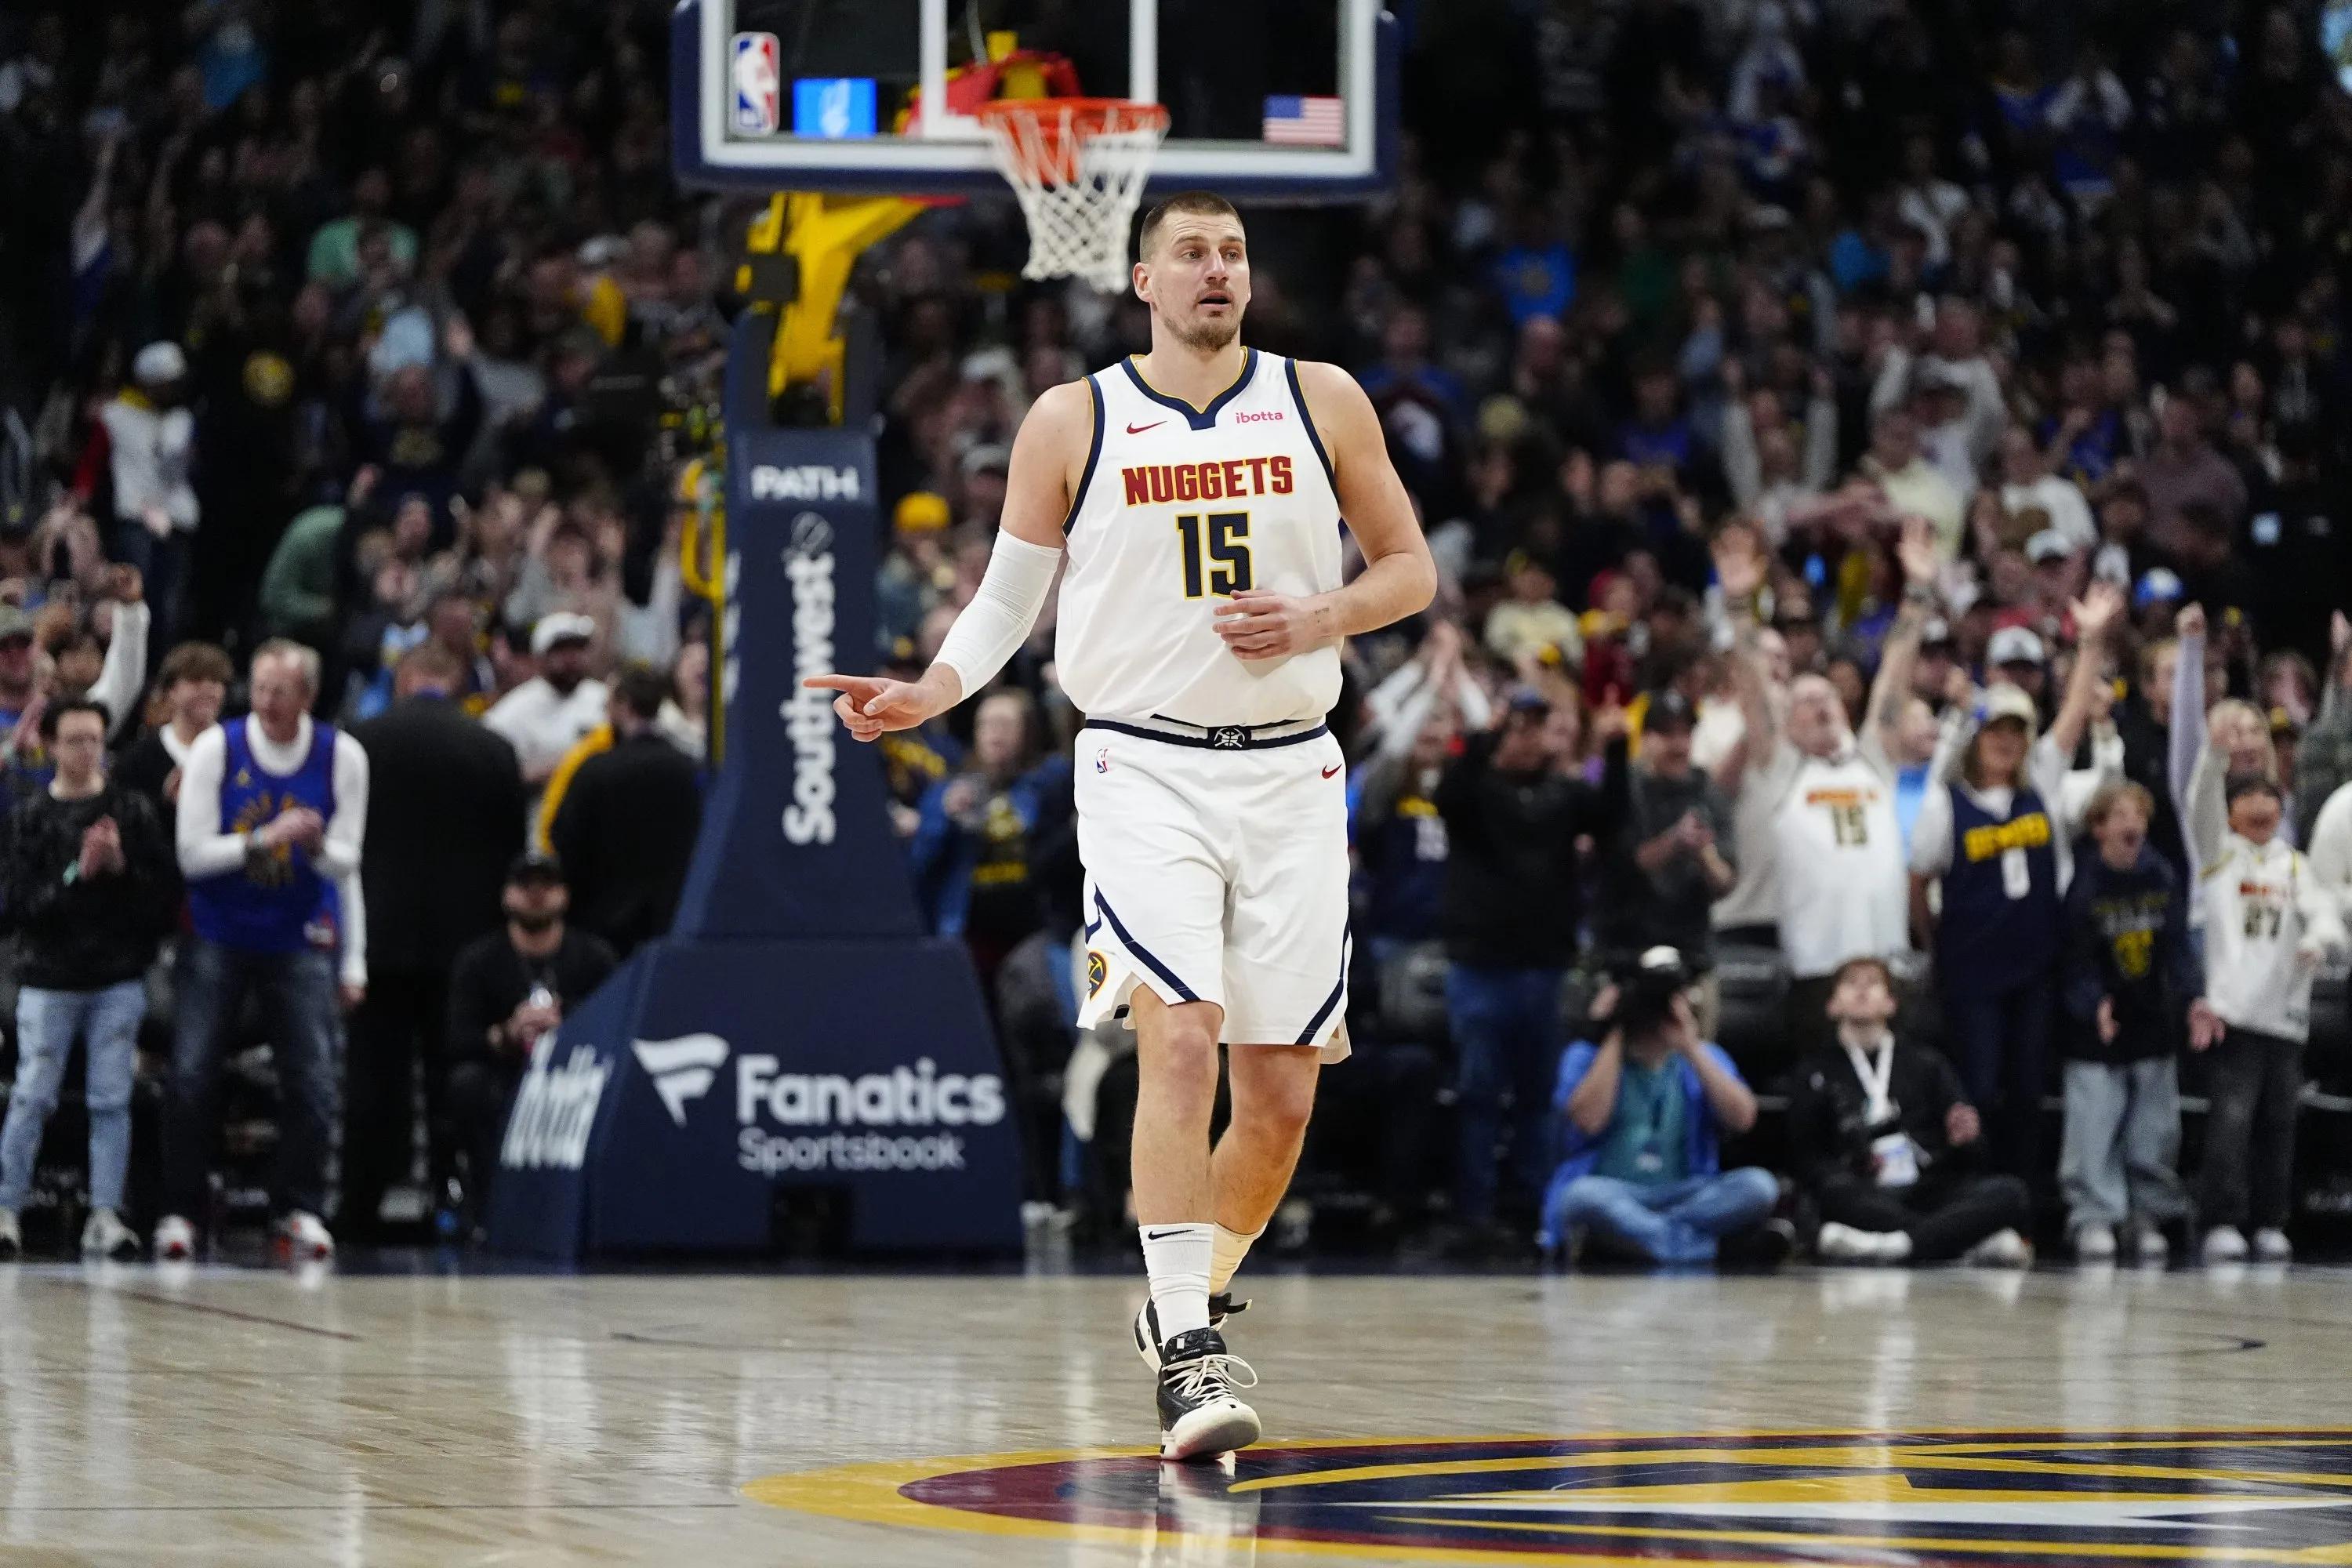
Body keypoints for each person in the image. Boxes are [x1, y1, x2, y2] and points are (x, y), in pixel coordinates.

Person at [804, 191, 1436, 1461]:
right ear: (1143, 280)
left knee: (1280, 1102)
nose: (1217, 270)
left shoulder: (1322, 400)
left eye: (1233, 253)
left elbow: (1409, 569)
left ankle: (1182, 1298)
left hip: (1293, 772)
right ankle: (1191, 1352)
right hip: (1142, 765)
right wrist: (933, 691)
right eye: (1192, 253)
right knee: (1181, 1039)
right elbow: (1006, 602)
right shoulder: (1073, 418)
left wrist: (1317, 618)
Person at [162, 641, 370, 1264]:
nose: (266, 702)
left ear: (308, 695)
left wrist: (314, 850)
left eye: (280, 691)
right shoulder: (217, 749)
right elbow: (192, 856)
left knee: (314, 1080)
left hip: (297, 936)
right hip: (217, 932)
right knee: (191, 1074)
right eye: (258, 688)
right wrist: (264, 838)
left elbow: (347, 862)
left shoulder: (343, 756)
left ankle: (299, 1208)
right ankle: (180, 1210)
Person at [1908, 582, 2124, 1179]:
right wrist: (1932, 942)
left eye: (2016, 732)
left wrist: (2091, 641)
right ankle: (1976, 1196)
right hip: (1973, 969)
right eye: (1995, 731)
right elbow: (1917, 879)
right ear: (1975, 738)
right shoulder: (1946, 805)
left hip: (2034, 967)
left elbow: (2073, 718)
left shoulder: (2042, 783)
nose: (2006, 741)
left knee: (2029, 1088)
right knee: (1979, 1085)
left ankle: (2021, 1200)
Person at [1715, 518, 1936, 1035]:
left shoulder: (1872, 760)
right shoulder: (1781, 769)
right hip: (1815, 969)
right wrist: (1740, 607)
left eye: (1827, 697)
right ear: (1786, 721)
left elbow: (1896, 672)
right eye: (1804, 700)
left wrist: (1919, 592)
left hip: (1885, 962)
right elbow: (1753, 686)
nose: (1818, 705)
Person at [344, 644, 527, 1237]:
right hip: (465, 946)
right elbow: (513, 850)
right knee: (456, 1076)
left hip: (379, 938)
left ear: (404, 678)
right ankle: (460, 1203)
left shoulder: (362, 741)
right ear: (457, 682)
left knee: (374, 1080)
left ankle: (360, 1208)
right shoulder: (493, 748)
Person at [1438, 688, 1628, 1245]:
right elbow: (1448, 796)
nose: (1528, 739)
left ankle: (1532, 1212)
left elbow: (1613, 822)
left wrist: (1617, 752)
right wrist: (1484, 737)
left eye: (1537, 727)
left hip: (1545, 968)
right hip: (1481, 967)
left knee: (1538, 1098)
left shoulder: (1565, 795)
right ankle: (1474, 1215)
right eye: (1518, 728)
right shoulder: (1477, 790)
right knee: (1478, 1095)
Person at [0, 700, 180, 1261]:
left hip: (115, 978)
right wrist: (80, 871)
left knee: (111, 1099)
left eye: (96, 740)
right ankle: (6, 1206)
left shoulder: (130, 810)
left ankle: (105, 1212)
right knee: (32, 1096)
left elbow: (160, 901)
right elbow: (20, 907)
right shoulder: (31, 817)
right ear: (52, 746)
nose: (87, 751)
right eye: (75, 740)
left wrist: (120, 867)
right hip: (49, 979)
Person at [1542, 948, 1787, 1268]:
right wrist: (1615, 1032)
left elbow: (1743, 1118)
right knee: (1580, 1197)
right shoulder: (1586, 1055)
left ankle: (1649, 1240)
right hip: (1614, 1190)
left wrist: (1690, 1046)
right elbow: (1588, 1121)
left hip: (1687, 1193)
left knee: (1758, 1186)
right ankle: (1703, 1247)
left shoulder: (1706, 1056)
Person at [1787, 956, 2035, 1265]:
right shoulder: (1814, 1071)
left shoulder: (1928, 1064)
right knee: (1832, 1194)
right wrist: (1854, 1163)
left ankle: (1897, 1246)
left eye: (1873, 983)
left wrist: (1965, 1140)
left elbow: (1973, 1155)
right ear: (1832, 1005)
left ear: (1891, 1003)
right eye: (1850, 983)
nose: (1862, 990)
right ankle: (1954, 1243)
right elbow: (1807, 1157)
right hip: (1863, 1190)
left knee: (2012, 1192)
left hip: (1927, 1187)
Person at [2058, 781, 2212, 1264]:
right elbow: (2072, 958)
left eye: (2139, 815)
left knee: (2154, 1126)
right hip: (2096, 1025)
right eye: (2121, 815)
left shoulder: (2161, 876)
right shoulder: (2082, 884)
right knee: (2094, 1124)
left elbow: (2178, 948)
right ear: (2099, 828)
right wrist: (2092, 1004)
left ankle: (2147, 1212)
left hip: (2151, 1018)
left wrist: (2193, 998)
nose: (2132, 824)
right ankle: (2094, 1214)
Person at [2195, 775, 2347, 1264]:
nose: (2260, 807)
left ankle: (2269, 1220)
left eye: (2270, 798)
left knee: (2280, 1124)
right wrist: (2213, 758)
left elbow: (2324, 913)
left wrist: (2317, 940)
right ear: (2229, 810)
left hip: (2286, 1020)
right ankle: (2221, 1220)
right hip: (2235, 1017)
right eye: (2248, 798)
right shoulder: (2217, 855)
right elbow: (2198, 800)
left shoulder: (2296, 865)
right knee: (2231, 1124)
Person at [445, 853, 617, 1232]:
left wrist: (566, 1023)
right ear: (507, 896)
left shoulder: (595, 957)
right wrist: (507, 1032)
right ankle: (490, 1209)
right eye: (525, 886)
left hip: (575, 1078)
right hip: (506, 1074)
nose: (536, 894)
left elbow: (616, 1026)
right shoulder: (478, 959)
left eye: (547, 886)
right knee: (467, 1084)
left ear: (565, 895)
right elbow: (459, 1038)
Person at [1593, 688, 1737, 1033]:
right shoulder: (1625, 789)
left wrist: (1703, 855)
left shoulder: (1707, 791)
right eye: (1666, 734)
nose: (1678, 745)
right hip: (1628, 955)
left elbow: (1725, 882)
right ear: (1645, 739)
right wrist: (1676, 840)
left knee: (1698, 1055)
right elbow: (1624, 866)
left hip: (1692, 957)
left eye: (1685, 733)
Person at [547, 668, 703, 958]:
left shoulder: (595, 772)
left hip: (602, 933)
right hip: (673, 927)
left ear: (623, 705)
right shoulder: (690, 771)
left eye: (608, 704)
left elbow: (564, 842)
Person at [483, 612, 608, 789]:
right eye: (563, 650)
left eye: (579, 649)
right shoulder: (515, 709)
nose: (572, 658)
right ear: (540, 657)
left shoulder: (604, 698)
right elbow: (490, 768)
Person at [113, 641, 233, 814]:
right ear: (171, 691)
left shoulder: (238, 747)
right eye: (195, 680)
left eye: (215, 681)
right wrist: (165, 801)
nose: (207, 689)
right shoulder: (138, 758)